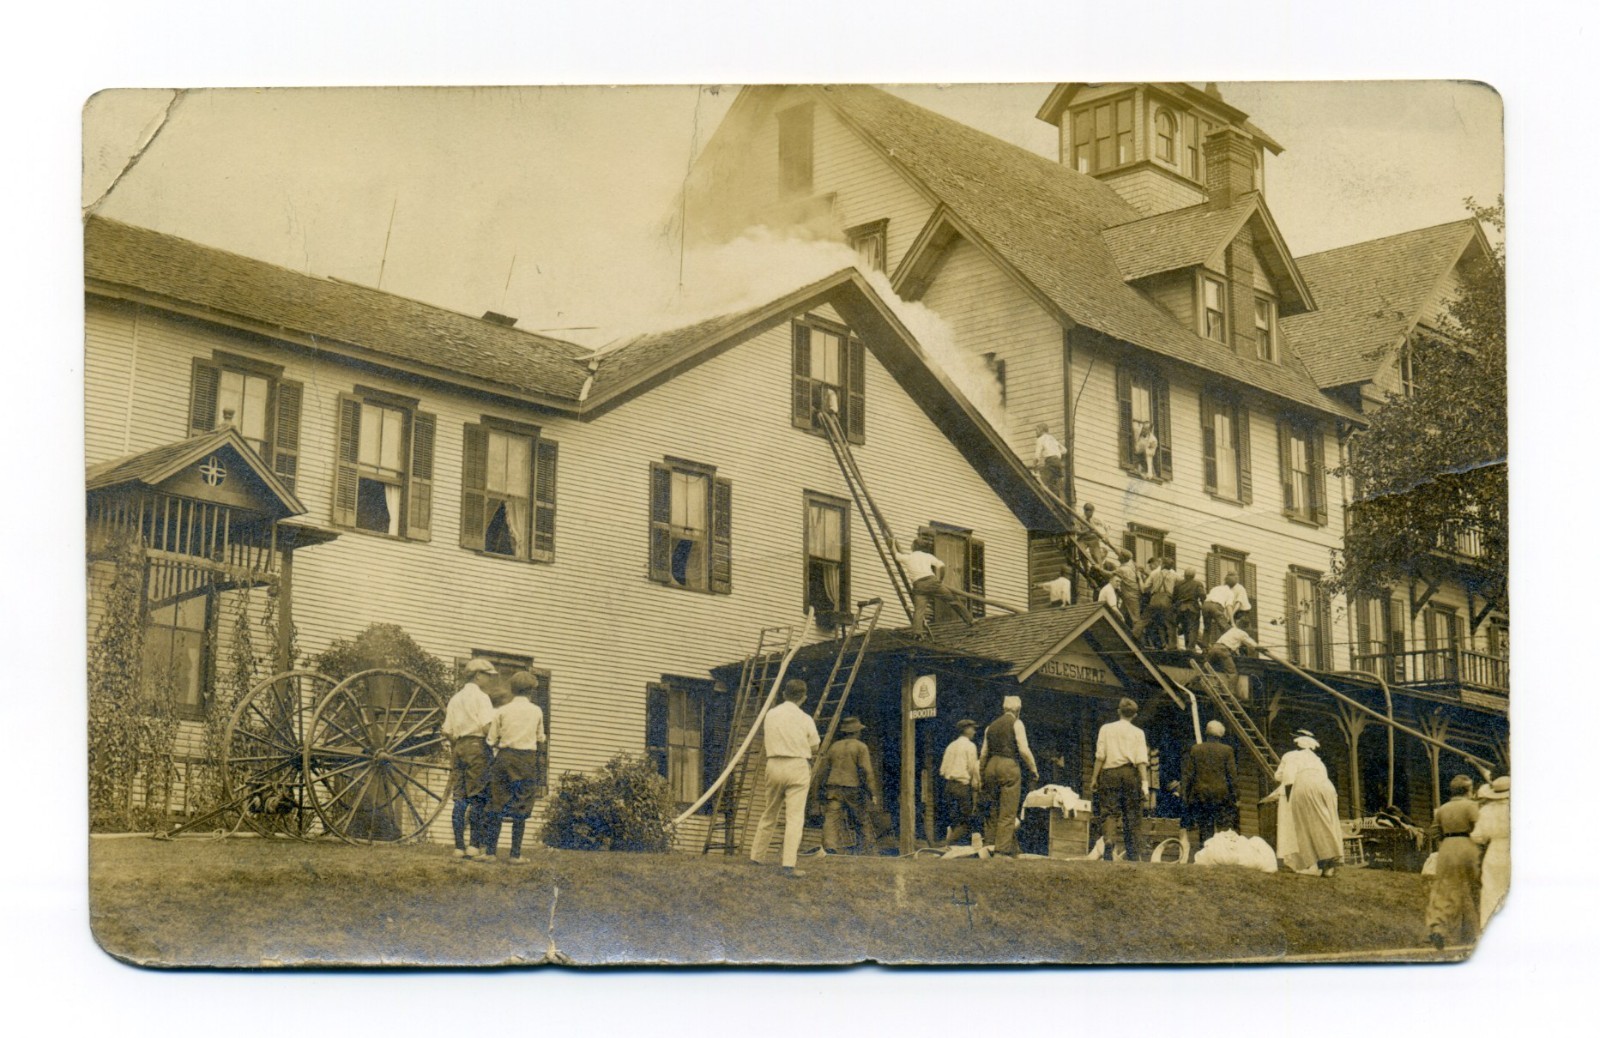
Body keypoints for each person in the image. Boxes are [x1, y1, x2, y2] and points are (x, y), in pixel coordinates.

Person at [749, 679, 821, 878]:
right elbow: (815, 746)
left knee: (769, 812)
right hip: (797, 765)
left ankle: (756, 857)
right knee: (794, 817)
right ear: (804, 697)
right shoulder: (806, 718)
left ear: (783, 694)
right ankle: (788, 865)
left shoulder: (771, 714)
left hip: (774, 763)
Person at [478, 670, 546, 865]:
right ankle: (515, 855)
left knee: (496, 802)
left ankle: (490, 852)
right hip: (526, 760)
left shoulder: (502, 711)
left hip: (505, 759)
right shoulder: (536, 711)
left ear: (513, 689)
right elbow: (540, 737)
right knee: (522, 804)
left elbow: (491, 739)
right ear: (531, 691)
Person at [1268, 730, 1343, 877]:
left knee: (1306, 827)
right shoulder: (1317, 760)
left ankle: (1318, 862)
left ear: (1297, 742)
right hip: (1327, 788)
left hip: (1305, 786)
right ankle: (1329, 864)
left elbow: (1288, 780)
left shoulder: (1291, 756)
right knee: (1326, 823)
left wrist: (1290, 802)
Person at [444, 657, 498, 860]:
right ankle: (474, 845)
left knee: (459, 798)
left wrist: (459, 743)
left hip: (459, 748)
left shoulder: (455, 698)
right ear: (477, 675)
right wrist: (496, 742)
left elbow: (446, 730)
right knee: (478, 797)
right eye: (488, 676)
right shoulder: (482, 698)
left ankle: (459, 847)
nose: (490, 680)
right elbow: (486, 727)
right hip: (477, 747)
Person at [1425, 774, 1483, 949]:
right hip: (1467, 844)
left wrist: (1444, 842)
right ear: (1468, 790)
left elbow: (1435, 830)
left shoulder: (1442, 809)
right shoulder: (1472, 806)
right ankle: (1477, 931)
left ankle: (1438, 928)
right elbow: (1479, 828)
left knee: (1445, 889)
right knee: (1475, 889)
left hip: (1447, 847)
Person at [1089, 697, 1150, 862]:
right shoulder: (1138, 733)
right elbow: (1141, 760)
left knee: (1109, 811)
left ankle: (1109, 839)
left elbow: (1100, 756)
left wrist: (1094, 777)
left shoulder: (1106, 729)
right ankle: (1132, 853)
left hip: (1109, 774)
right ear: (1134, 715)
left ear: (1118, 712)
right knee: (1132, 813)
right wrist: (1145, 784)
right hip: (1130, 774)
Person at [979, 696, 1039, 857]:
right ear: (1018, 710)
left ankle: (988, 846)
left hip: (991, 766)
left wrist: (981, 774)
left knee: (992, 808)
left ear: (1003, 709)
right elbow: (1023, 750)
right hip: (1008, 765)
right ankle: (1001, 851)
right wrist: (1033, 769)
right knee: (1008, 810)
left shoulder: (990, 727)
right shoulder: (1017, 723)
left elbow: (983, 754)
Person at [815, 717, 880, 855]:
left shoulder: (834, 747)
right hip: (852, 788)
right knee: (861, 818)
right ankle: (868, 849)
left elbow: (824, 770)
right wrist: (872, 793)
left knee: (831, 818)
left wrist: (820, 790)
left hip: (833, 788)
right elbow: (867, 771)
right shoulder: (861, 747)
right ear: (857, 732)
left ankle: (830, 847)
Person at [893, 536, 975, 640]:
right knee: (953, 600)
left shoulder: (908, 557)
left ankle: (917, 633)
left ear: (913, 547)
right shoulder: (928, 556)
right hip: (932, 582)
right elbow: (942, 566)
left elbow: (896, 555)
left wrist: (893, 544)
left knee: (919, 610)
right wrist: (940, 580)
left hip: (919, 586)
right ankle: (970, 620)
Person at [1181, 720, 1238, 848]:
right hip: (1221, 795)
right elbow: (1232, 776)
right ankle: (1221, 855)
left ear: (1207, 733)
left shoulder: (1196, 749)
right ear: (1221, 735)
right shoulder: (1227, 750)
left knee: (1205, 828)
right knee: (1223, 827)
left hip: (1201, 794)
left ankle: (1205, 855)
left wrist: (1186, 794)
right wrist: (1235, 797)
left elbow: (1189, 774)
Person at [1472, 775, 1511, 931]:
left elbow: (1478, 837)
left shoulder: (1486, 810)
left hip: (1494, 851)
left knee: (1491, 891)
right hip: (1511, 849)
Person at [939, 718, 983, 845]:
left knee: (954, 820)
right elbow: (972, 768)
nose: (974, 732)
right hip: (962, 787)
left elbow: (942, 770)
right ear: (966, 730)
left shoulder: (950, 746)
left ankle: (953, 847)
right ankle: (949, 844)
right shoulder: (970, 746)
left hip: (949, 786)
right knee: (966, 820)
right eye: (973, 729)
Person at [1143, 556, 1176, 649]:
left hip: (1155, 600)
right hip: (1167, 600)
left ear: (1156, 563)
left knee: (1159, 623)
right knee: (1167, 623)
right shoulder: (1174, 573)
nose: (1150, 568)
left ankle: (1163, 644)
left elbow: (1145, 588)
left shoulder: (1154, 573)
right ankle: (1169, 645)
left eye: (1151, 566)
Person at [1112, 550, 1145, 636]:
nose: (1118, 555)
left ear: (1122, 558)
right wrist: (1108, 542)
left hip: (1131, 596)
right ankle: (1119, 634)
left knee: (1135, 619)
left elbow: (1110, 575)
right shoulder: (1131, 565)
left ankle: (1139, 639)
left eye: (1120, 555)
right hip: (1129, 596)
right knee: (1121, 615)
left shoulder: (1123, 569)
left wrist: (1099, 569)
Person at [1172, 567, 1206, 651]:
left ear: (1184, 575)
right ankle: (1190, 648)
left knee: (1185, 628)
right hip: (1192, 608)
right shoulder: (1198, 584)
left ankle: (1187, 646)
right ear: (1194, 575)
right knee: (1193, 629)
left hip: (1181, 608)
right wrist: (1203, 605)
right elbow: (1202, 595)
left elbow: (1174, 597)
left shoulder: (1178, 584)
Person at [1202, 574, 1240, 646]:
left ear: (1225, 581)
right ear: (1233, 586)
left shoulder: (1215, 588)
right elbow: (1229, 607)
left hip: (1206, 605)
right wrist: (1232, 622)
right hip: (1216, 607)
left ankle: (1205, 648)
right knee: (1225, 628)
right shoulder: (1230, 593)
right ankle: (1227, 646)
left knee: (1207, 628)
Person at [1077, 503, 1112, 569]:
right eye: (1087, 510)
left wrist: (1106, 536)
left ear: (1093, 511)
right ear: (1084, 511)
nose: (1089, 512)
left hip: (1093, 539)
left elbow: (1108, 527)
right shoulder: (1080, 519)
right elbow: (1078, 532)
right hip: (1083, 538)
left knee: (1096, 556)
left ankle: (1100, 571)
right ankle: (1086, 568)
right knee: (1081, 552)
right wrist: (1086, 531)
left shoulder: (1098, 519)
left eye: (1091, 511)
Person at [1034, 423, 1067, 494]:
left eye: (1036, 430)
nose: (1035, 432)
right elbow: (1064, 450)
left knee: (1042, 483)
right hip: (1058, 463)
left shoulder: (1040, 439)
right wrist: (1056, 453)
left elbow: (1037, 456)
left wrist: (1034, 466)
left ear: (1041, 430)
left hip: (1051, 462)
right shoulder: (1052, 439)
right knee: (1054, 486)